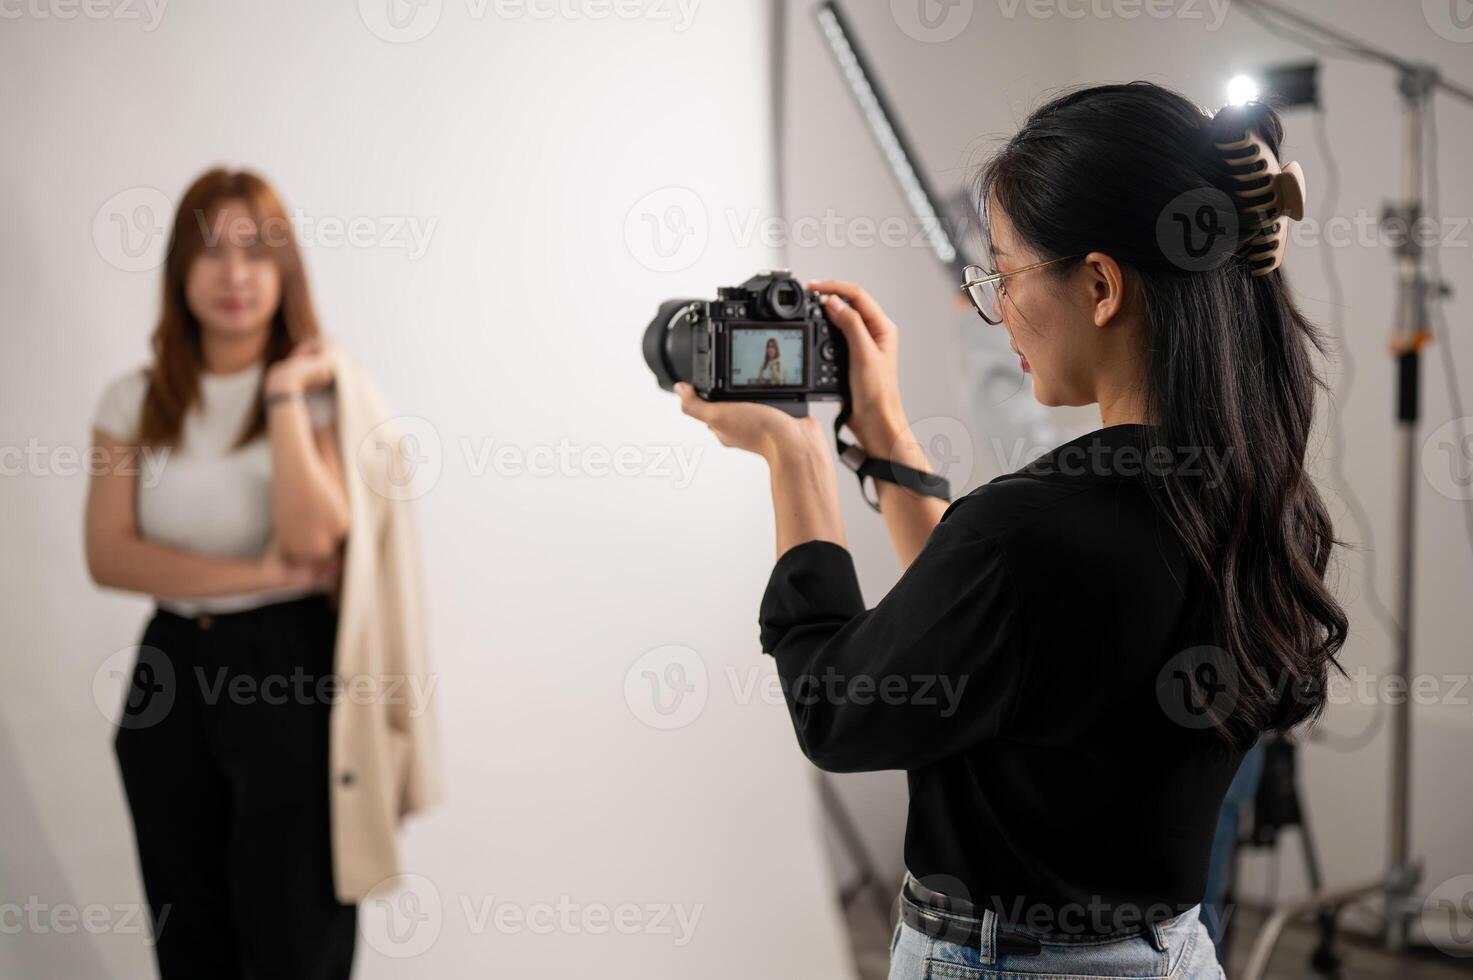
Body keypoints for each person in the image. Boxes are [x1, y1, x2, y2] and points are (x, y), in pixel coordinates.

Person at [673, 82, 1347, 980]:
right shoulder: (1258, 501)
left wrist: (794, 458)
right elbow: (976, 633)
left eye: (1002, 274)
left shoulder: (1028, 530)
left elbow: (836, 711)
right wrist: (883, 433)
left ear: (1101, 286)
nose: (994, 307)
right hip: (1173, 956)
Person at [86, 168, 357, 977]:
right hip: (169, 668)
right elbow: (108, 554)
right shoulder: (132, 400)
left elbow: (320, 538)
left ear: (286, 272)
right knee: (191, 941)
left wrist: (279, 397)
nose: (234, 274)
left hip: (291, 666)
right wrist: (260, 570)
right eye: (209, 250)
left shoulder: (318, 394)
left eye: (256, 251)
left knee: (295, 938)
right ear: (178, 270)